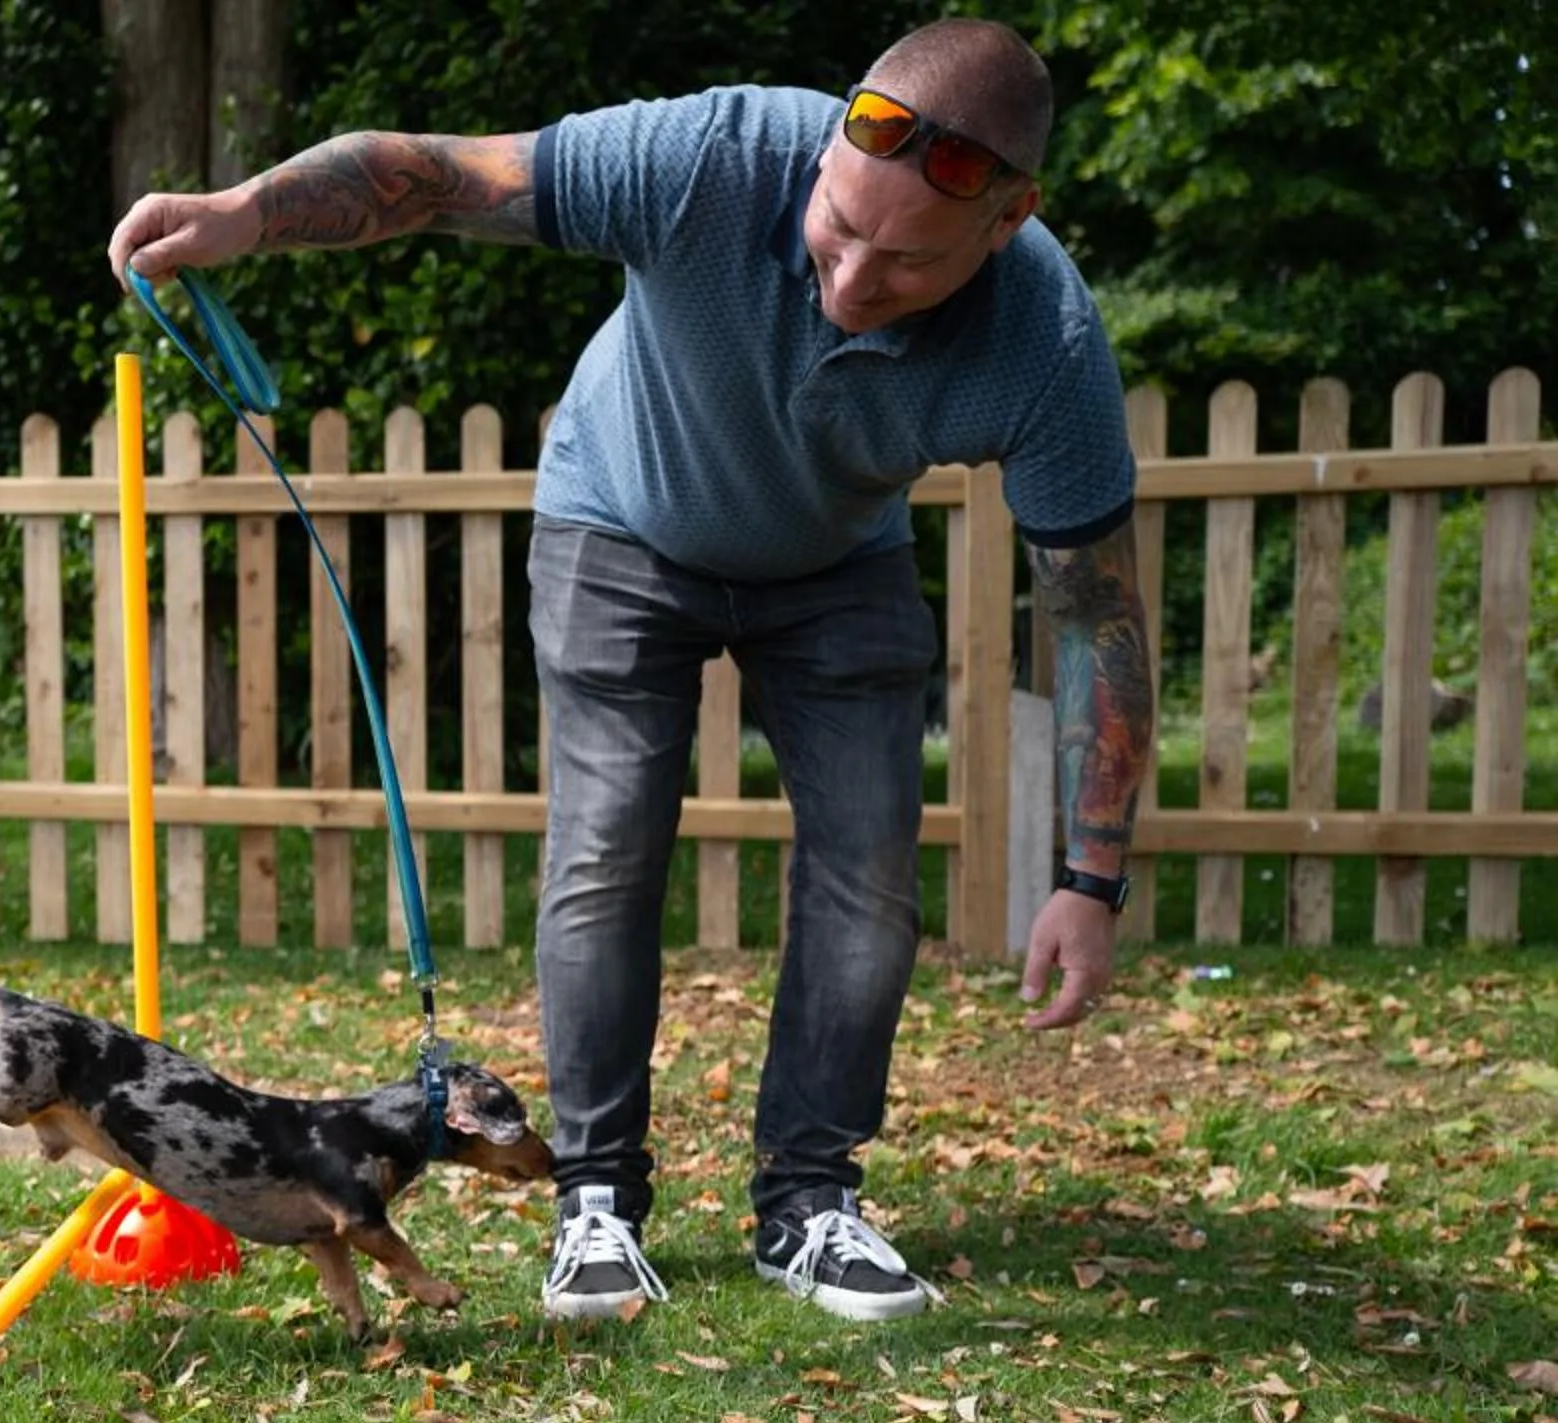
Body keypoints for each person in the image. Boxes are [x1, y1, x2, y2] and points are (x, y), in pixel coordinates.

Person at [106, 19, 1154, 1324]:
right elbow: (438, 174)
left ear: (1007, 222)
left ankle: (811, 1202)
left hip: (838, 561)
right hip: (619, 521)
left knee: (871, 873)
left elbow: (1098, 617)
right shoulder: (708, 160)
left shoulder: (1045, 340)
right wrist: (245, 215)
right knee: (606, 851)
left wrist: (1091, 878)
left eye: (905, 263)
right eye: (837, 229)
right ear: (820, 155)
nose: (849, 281)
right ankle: (596, 1197)